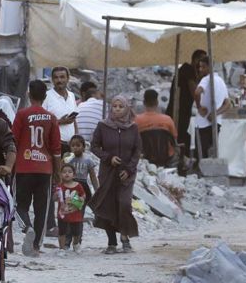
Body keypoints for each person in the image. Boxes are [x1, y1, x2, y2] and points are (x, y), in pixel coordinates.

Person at [12, 80, 62, 256]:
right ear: (45, 96)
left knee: (19, 205)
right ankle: (35, 247)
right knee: (42, 209)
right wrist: (57, 173)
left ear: (28, 94)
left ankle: (27, 227)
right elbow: (56, 149)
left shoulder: (21, 115)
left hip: (23, 168)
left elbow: (13, 143)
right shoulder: (52, 118)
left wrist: (9, 166)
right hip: (45, 170)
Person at [90, 95, 141, 255]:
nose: (117, 109)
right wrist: (108, 158)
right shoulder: (103, 126)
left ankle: (125, 238)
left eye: (121, 106)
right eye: (114, 106)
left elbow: (137, 151)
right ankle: (111, 242)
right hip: (108, 173)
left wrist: (129, 170)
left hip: (126, 174)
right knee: (108, 205)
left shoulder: (133, 128)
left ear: (126, 108)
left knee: (124, 204)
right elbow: (94, 146)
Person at [166, 50, 204, 157]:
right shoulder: (188, 69)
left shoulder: (188, 70)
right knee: (179, 136)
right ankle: (179, 160)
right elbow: (195, 92)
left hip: (182, 110)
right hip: (178, 111)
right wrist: (200, 106)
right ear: (196, 60)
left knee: (182, 136)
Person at [193, 55, 230, 160]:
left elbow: (196, 92)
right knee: (213, 150)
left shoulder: (206, 79)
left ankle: (201, 170)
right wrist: (215, 113)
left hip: (203, 123)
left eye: (203, 67)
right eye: (200, 67)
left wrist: (200, 106)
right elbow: (227, 104)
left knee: (202, 152)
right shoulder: (221, 81)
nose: (200, 69)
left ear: (210, 67)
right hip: (216, 122)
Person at [134, 89, 178, 166]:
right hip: (166, 157)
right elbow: (174, 137)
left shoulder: (136, 121)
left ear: (144, 103)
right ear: (157, 102)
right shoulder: (167, 120)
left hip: (145, 158)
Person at [53, 163, 89, 252]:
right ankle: (61, 248)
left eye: (69, 172)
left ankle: (76, 244)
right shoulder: (59, 186)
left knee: (76, 232)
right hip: (62, 214)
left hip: (76, 213)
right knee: (62, 232)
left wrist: (81, 198)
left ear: (74, 174)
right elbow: (54, 198)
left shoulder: (78, 185)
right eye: (64, 172)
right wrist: (56, 195)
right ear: (61, 174)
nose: (67, 174)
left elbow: (83, 195)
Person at [43, 66, 80, 150]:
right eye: (56, 77)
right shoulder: (46, 96)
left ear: (68, 79)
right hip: (54, 144)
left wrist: (77, 137)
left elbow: (74, 120)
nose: (59, 80)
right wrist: (60, 121)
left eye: (62, 77)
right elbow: (42, 121)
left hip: (71, 145)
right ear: (52, 80)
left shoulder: (71, 95)